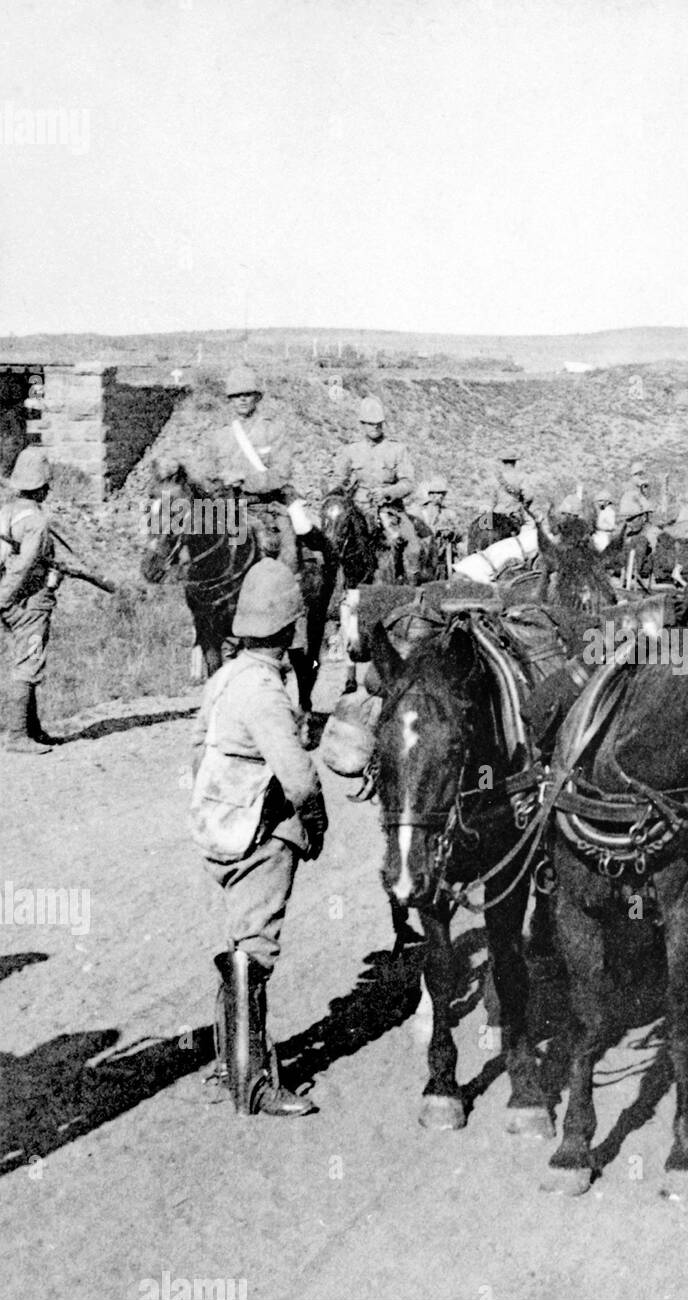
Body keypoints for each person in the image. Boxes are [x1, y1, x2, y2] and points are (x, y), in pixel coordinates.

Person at [189, 559, 328, 1117]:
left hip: (216, 824)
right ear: (291, 629)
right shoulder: (267, 692)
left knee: (238, 942)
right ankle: (251, 1085)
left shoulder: (225, 677)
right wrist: (315, 826)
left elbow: (198, 751)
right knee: (254, 951)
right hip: (256, 831)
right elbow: (299, 778)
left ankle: (228, 1061)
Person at [194, 367, 299, 572]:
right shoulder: (219, 436)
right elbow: (207, 474)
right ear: (230, 400)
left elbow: (281, 474)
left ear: (257, 397)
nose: (242, 400)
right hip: (227, 509)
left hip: (265, 506)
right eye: (236, 396)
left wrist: (244, 478)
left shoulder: (273, 429)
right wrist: (220, 480)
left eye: (247, 394)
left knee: (289, 555)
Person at [0, 447, 59, 754]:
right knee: (29, 660)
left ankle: (32, 730)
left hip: (11, 602)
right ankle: (17, 735)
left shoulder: (7, 511)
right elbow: (24, 565)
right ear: (43, 486)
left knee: (26, 657)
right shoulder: (36, 521)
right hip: (29, 601)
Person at [335, 396, 419, 582]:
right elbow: (338, 481)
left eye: (379, 424)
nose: (375, 427)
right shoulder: (351, 450)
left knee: (413, 547)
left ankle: (411, 587)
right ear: (362, 424)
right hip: (357, 510)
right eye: (370, 424)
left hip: (390, 510)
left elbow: (408, 483)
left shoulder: (397, 449)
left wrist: (387, 493)